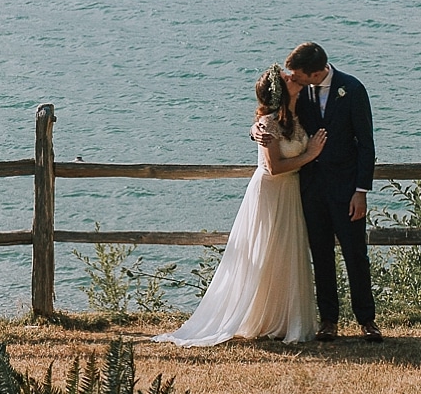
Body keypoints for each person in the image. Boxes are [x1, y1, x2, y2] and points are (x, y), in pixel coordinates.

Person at [152, 66, 324, 347]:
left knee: (283, 255)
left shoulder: (297, 112)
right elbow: (273, 167)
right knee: (262, 253)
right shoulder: (268, 124)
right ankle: (252, 317)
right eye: (287, 77)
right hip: (270, 191)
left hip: (291, 193)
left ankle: (278, 318)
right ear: (280, 90)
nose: (294, 77)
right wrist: (309, 154)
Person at [255, 42, 380, 342]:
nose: (292, 80)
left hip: (346, 190)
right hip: (309, 190)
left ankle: (367, 320)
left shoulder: (352, 89)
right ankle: (328, 321)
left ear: (315, 72)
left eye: (298, 76)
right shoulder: (300, 94)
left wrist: (360, 191)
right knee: (320, 256)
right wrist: (255, 131)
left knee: (355, 255)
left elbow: (366, 143)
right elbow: (275, 119)